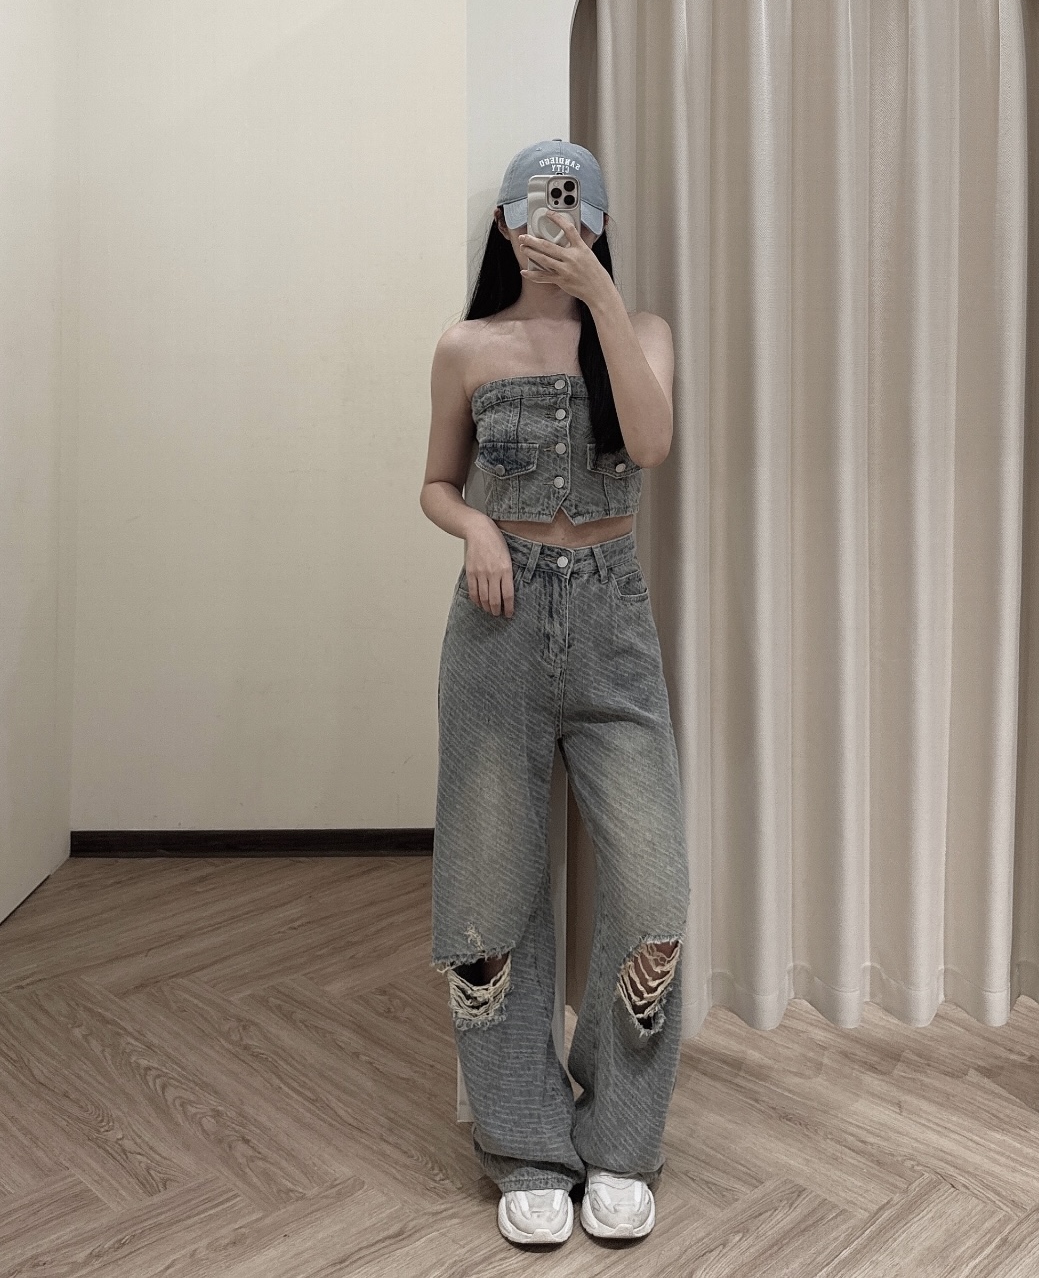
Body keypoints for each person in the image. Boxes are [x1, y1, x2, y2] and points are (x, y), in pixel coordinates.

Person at [419, 139, 692, 1248]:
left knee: (653, 888)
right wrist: (477, 526)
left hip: (612, 623)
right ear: (504, 221)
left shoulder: (642, 329)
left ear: (600, 220)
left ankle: (620, 1135)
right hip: (496, 622)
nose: (554, 223)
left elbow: (652, 443)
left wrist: (598, 296)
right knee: (491, 888)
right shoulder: (466, 345)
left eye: (576, 208)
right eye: (537, 206)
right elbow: (434, 483)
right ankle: (525, 1142)